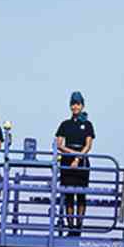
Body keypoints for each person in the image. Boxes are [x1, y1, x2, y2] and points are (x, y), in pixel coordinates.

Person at [54, 92, 96, 234]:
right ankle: (70, 226)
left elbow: (88, 145)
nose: (75, 107)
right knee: (69, 194)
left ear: (82, 106)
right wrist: (72, 153)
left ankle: (79, 226)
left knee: (81, 194)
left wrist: (77, 158)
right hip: (67, 160)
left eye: (77, 104)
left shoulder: (88, 124)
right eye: (73, 104)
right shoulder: (65, 124)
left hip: (82, 161)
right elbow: (59, 144)